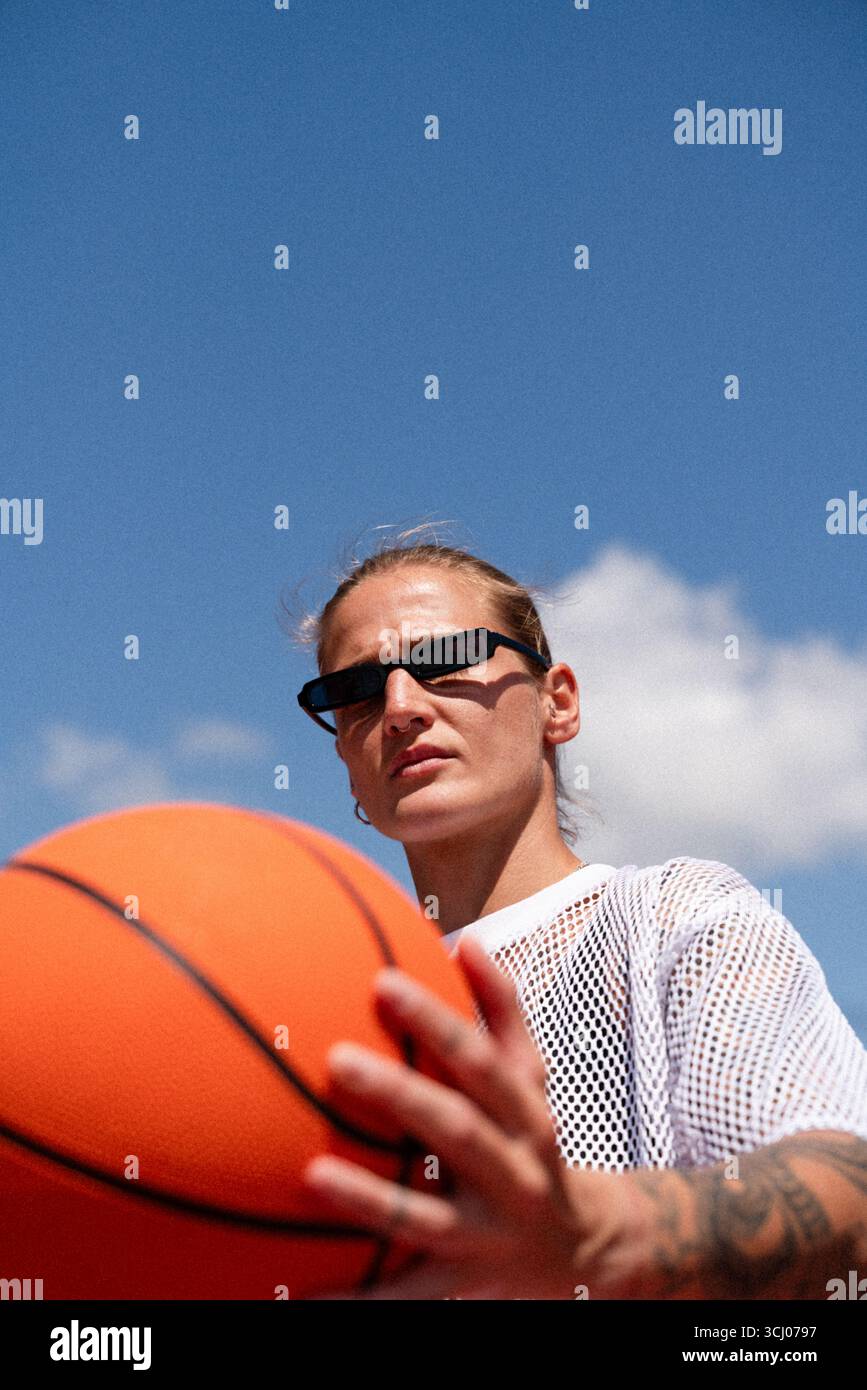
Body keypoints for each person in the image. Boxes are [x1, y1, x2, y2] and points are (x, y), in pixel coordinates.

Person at [288, 526, 867, 1299]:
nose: (398, 707)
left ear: (556, 703)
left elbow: (850, 1198)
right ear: (342, 753)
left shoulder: (673, 917)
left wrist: (601, 1236)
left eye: (444, 660)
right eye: (355, 690)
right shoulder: (333, 1010)